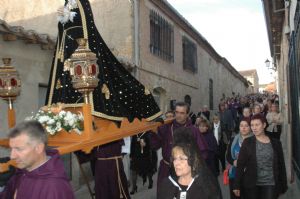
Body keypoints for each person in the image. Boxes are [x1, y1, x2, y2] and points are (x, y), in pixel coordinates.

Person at [46, 0, 161, 122]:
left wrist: (68, 14)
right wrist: (63, 16)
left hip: (81, 49)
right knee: (67, 81)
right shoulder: (67, 3)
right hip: (68, 50)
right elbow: (63, 28)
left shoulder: (82, 2)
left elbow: (85, 22)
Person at [0, 121, 75, 199]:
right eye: (11, 149)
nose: (12, 156)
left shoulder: (55, 187)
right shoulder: (21, 172)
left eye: (19, 149)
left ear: (39, 148)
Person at [151, 102, 208, 188]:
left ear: (187, 114)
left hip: (186, 171)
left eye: (182, 113)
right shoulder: (166, 127)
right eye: (176, 112)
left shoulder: (193, 130)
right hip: (166, 169)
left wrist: (192, 168)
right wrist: (154, 132)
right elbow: (155, 145)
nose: (178, 115)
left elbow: (203, 153)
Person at [157, 127, 222, 199]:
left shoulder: (206, 186)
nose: (176, 163)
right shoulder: (167, 185)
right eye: (174, 158)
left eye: (181, 158)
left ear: (193, 160)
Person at [233, 114, 287, 199]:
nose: (254, 128)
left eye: (257, 125)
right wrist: (236, 185)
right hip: (251, 184)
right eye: (252, 125)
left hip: (270, 184)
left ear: (264, 125)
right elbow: (240, 165)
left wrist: (283, 185)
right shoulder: (247, 142)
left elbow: (281, 165)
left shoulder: (276, 143)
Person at [226, 119, 253, 199]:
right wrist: (234, 162)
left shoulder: (254, 140)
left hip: (249, 175)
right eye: (241, 126)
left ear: (250, 127)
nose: (243, 128)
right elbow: (228, 156)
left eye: (246, 126)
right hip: (234, 174)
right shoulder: (233, 139)